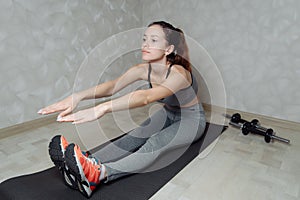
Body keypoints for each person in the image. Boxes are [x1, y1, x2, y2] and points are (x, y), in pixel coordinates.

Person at [39, 21, 206, 198]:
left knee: (155, 142)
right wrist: (77, 97)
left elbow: (145, 97)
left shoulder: (179, 73)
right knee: (136, 135)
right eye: (144, 39)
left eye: (154, 40)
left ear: (168, 49)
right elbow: (111, 87)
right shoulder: (143, 70)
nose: (145, 44)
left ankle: (100, 174)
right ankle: (85, 163)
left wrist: (101, 108)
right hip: (168, 112)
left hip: (192, 119)